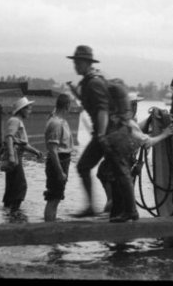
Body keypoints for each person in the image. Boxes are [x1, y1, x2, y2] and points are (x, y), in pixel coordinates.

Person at [67, 45, 111, 217]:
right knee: (111, 170)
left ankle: (96, 207)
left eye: (78, 62)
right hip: (104, 133)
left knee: (85, 166)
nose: (75, 66)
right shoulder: (89, 82)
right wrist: (75, 92)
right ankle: (106, 205)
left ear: (87, 63)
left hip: (106, 133)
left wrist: (100, 135)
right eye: (75, 62)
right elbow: (89, 103)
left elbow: (102, 110)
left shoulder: (93, 82)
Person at [1, 96, 44, 210]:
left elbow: (22, 144)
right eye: (29, 109)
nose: (30, 111)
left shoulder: (17, 121)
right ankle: (15, 213)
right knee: (21, 186)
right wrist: (11, 156)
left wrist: (35, 152)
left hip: (15, 157)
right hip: (14, 158)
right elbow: (9, 137)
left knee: (11, 187)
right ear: (22, 109)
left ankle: (9, 212)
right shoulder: (15, 121)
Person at [43, 93, 74, 221]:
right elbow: (52, 150)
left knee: (57, 196)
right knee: (53, 197)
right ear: (67, 106)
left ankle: (52, 220)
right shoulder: (56, 123)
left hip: (63, 160)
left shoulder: (59, 121)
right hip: (58, 162)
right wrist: (60, 171)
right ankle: (49, 223)